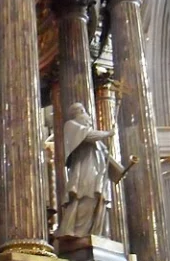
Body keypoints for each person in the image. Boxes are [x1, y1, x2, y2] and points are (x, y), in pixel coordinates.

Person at [55, 101, 130, 238]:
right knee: (85, 199)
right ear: (76, 114)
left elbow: (107, 158)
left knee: (97, 202)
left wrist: (120, 170)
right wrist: (108, 133)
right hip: (84, 172)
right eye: (83, 111)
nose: (87, 116)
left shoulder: (97, 142)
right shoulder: (71, 126)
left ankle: (94, 235)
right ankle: (77, 233)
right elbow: (89, 135)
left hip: (98, 176)